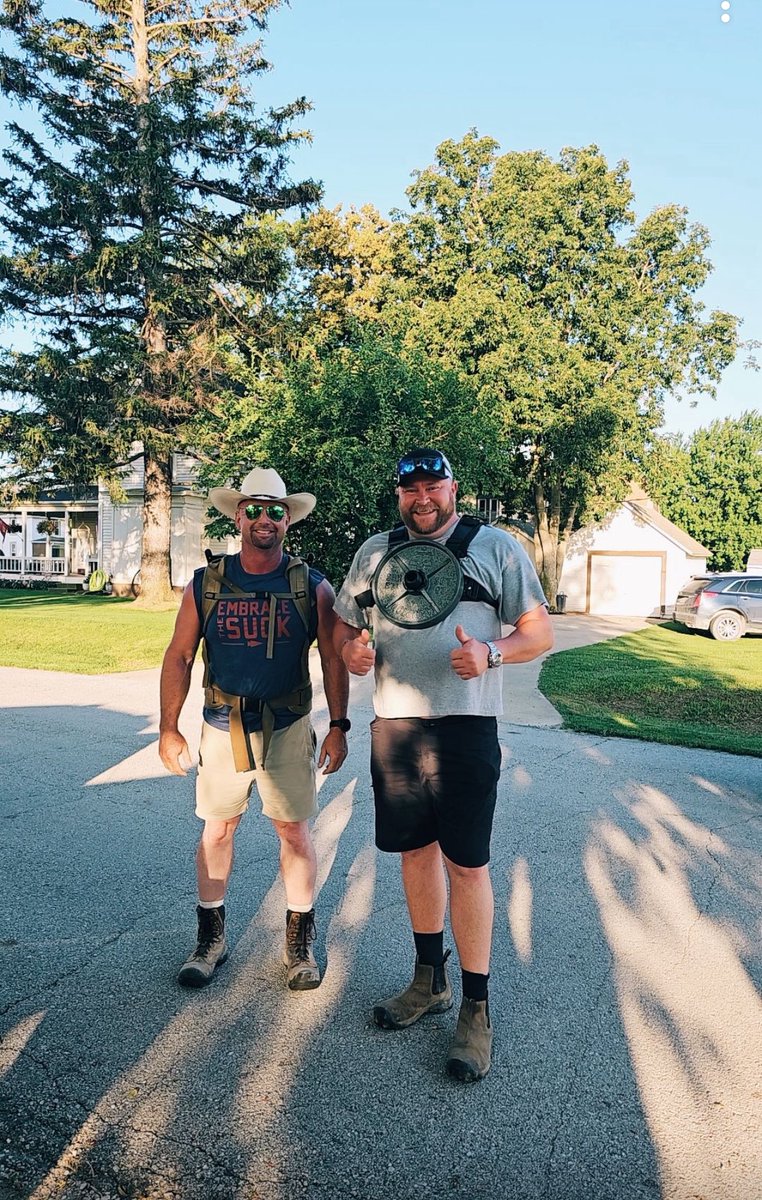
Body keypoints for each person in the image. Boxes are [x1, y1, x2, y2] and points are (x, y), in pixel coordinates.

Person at [333, 448, 553, 1082]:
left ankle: (476, 1009)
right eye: (410, 489)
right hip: (397, 724)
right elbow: (349, 629)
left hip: (465, 728)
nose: (422, 497)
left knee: (468, 865)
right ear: (398, 495)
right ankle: (429, 981)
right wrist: (352, 652)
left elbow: (538, 632)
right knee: (415, 855)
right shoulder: (376, 553)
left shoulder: (497, 547)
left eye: (433, 485)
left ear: (454, 488)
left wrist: (491, 651)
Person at [159, 467, 350, 992]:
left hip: (287, 727)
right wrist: (168, 728)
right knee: (217, 829)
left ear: (287, 520)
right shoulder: (208, 583)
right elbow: (179, 656)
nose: (263, 519)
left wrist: (338, 726)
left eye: (274, 510)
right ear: (237, 517)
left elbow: (334, 659)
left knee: (293, 831)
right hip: (221, 726)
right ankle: (210, 940)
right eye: (253, 510)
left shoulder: (311, 585)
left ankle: (299, 944)